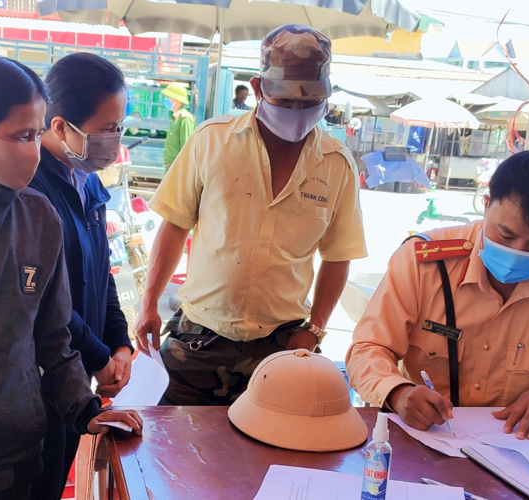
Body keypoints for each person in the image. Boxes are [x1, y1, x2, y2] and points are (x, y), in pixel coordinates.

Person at [135, 24, 366, 406]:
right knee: (169, 452)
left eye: (309, 104)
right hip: (199, 342)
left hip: (284, 347)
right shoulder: (211, 141)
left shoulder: (336, 165)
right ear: (258, 89)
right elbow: (174, 225)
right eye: (286, 101)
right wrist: (148, 304)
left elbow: (338, 256)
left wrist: (316, 330)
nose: (297, 113)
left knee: (271, 459)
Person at [0, 54, 142, 500]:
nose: (36, 151)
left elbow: (54, 338)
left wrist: (86, 409)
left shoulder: (39, 219)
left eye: (37, 134)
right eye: (24, 135)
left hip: (13, 463)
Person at [346, 150, 529, 439]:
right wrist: (398, 392)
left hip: (515, 442)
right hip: (419, 435)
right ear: (486, 205)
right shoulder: (424, 261)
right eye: (506, 235)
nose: (518, 252)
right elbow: (367, 349)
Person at [27, 53, 134, 500]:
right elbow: (49, 300)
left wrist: (119, 342)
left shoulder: (88, 180)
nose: (115, 139)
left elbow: (101, 273)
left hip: (82, 374)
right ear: (61, 127)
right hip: (42, 375)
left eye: (119, 126)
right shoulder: (32, 189)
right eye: (107, 129)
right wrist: (96, 356)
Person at [161, 82, 195, 172]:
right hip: (170, 168)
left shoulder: (185, 119)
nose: (166, 99)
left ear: (177, 101)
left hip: (176, 169)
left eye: (169, 98)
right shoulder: (175, 117)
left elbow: (186, 148)